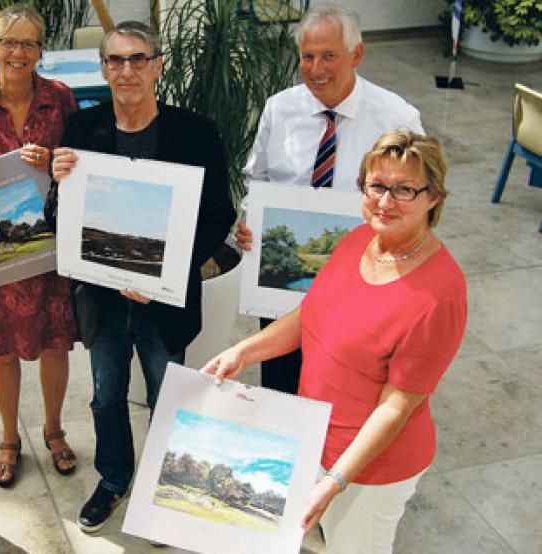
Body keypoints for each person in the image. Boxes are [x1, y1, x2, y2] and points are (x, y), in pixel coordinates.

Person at [204, 130, 466, 554]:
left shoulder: (441, 294)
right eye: (377, 186)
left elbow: (398, 406)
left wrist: (335, 480)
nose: (385, 202)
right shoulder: (358, 240)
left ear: (433, 198)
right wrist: (241, 351)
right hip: (314, 436)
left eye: (404, 190)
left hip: (371, 469)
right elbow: (309, 316)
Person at [48, 21, 236, 533]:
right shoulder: (82, 131)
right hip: (102, 299)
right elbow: (55, 219)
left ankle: (161, 490)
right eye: (115, 60)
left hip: (164, 301)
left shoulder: (196, 132)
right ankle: (113, 479)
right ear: (103, 67)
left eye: (137, 59)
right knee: (106, 396)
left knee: (165, 397)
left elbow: (220, 216)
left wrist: (163, 273)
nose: (126, 70)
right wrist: (61, 186)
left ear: (157, 65)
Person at [236, 6, 424, 395]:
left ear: (357, 55)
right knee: (281, 382)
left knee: (346, 385)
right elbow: (257, 176)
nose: (316, 68)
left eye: (329, 56)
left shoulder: (397, 119)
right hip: (278, 290)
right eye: (308, 56)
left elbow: (418, 203)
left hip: (364, 281)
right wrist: (250, 216)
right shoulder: (279, 108)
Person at [0, 3, 80, 488]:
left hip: (49, 249)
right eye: (9, 42)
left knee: (54, 345)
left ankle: (53, 430)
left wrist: (53, 160)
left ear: (40, 50)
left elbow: (80, 165)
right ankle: (9, 438)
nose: (18, 52)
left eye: (29, 43)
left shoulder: (61, 99)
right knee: (1, 351)